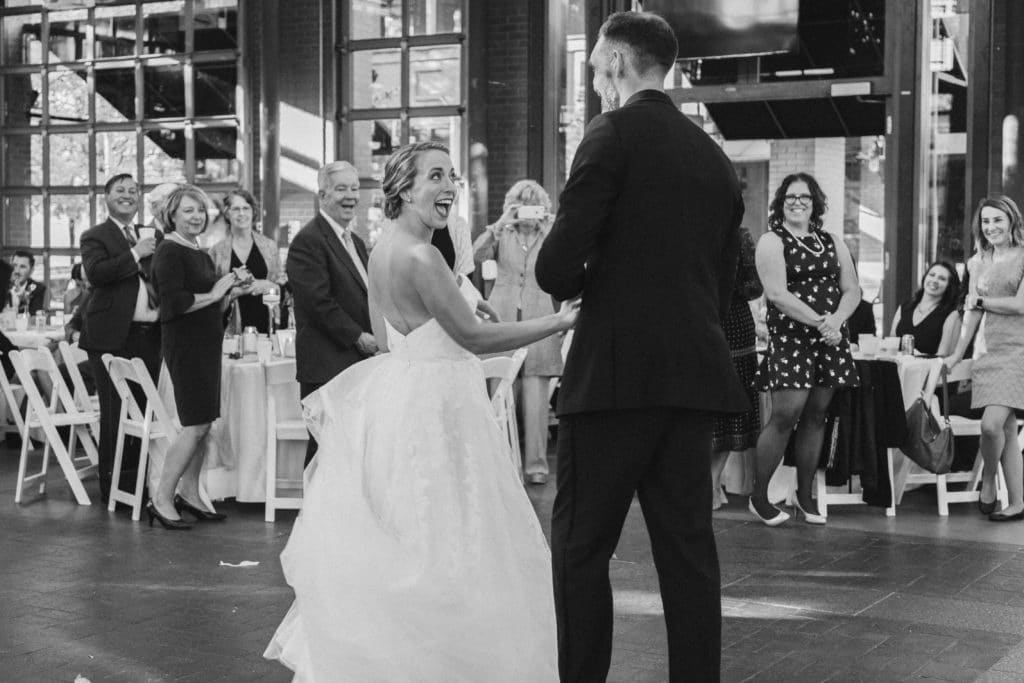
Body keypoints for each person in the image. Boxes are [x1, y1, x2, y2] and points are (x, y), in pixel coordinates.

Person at [265, 142, 577, 680]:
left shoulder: (382, 250)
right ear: (404, 189)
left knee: (411, 532)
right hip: (438, 409)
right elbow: (477, 338)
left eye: (452, 176)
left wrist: (454, 298)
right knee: (454, 534)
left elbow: (392, 334)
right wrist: (559, 322)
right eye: (436, 176)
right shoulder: (423, 254)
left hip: (400, 402)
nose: (450, 186)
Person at [534, 12, 747, 682]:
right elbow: (724, 280)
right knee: (688, 553)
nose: (597, 84)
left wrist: (592, 278)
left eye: (598, 69)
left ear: (621, 62)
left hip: (614, 379)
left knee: (578, 546)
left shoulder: (612, 134)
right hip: (691, 380)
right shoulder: (714, 156)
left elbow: (556, 264)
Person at [750, 173, 860, 527]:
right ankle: (759, 495)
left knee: (817, 415)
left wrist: (838, 320)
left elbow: (852, 289)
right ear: (781, 203)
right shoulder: (772, 241)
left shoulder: (832, 241)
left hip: (829, 338)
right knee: (786, 415)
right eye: (790, 197)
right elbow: (778, 294)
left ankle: (805, 494)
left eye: (805, 198)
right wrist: (821, 323)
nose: (797, 203)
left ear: (816, 204)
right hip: (794, 338)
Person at [147, 185, 245, 530]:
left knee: (204, 424)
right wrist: (216, 290)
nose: (196, 216)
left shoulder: (198, 252)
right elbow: (173, 305)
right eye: (188, 210)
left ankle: (189, 493)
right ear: (171, 215)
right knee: (194, 425)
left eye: (200, 210)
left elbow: (207, 305)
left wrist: (228, 293)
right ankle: (161, 497)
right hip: (185, 347)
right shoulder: (169, 251)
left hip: (205, 344)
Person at [473, 179, 564, 485]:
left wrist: (551, 226)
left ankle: (536, 467)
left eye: (533, 202)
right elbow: (477, 255)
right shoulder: (503, 232)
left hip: (539, 320)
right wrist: (499, 224)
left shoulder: (549, 233)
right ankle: (500, 466)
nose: (527, 210)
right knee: (499, 394)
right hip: (504, 319)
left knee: (536, 401)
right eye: (522, 202)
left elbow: (567, 257)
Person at [287, 161, 377, 465]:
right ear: (322, 194)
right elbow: (318, 303)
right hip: (328, 364)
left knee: (350, 453)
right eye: (342, 189)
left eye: (355, 188)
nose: (351, 195)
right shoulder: (308, 241)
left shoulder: (358, 242)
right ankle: (314, 512)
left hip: (356, 366)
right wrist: (358, 337)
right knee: (325, 454)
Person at [79, 174, 161, 504]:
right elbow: (97, 274)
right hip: (110, 337)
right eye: (120, 191)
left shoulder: (151, 234)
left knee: (144, 411)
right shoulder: (95, 236)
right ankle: (112, 489)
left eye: (133, 190)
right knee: (116, 412)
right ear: (107, 198)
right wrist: (135, 252)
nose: (128, 195)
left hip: (149, 335)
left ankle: (139, 485)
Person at [944, 196, 1024, 521]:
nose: (991, 227)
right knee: (1003, 428)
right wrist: (955, 354)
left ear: (1012, 221)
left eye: (998, 220)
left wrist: (980, 300)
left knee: (991, 427)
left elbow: (1020, 306)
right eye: (986, 221)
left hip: (1018, 350)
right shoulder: (976, 261)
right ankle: (1018, 502)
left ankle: (988, 477)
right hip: (987, 352)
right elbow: (970, 316)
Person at [710, 227, 763, 510]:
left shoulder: (741, 235)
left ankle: (713, 480)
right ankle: (709, 482)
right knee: (702, 409)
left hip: (735, 324)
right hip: (698, 321)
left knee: (733, 405)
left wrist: (727, 280)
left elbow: (754, 287)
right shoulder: (683, 226)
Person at [208, 189, 284, 333]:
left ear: (253, 212)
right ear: (227, 213)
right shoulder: (216, 251)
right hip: (228, 327)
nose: (241, 213)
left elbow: (282, 285)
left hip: (265, 324)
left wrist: (268, 285)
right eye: (236, 209)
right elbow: (210, 296)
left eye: (246, 208)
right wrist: (236, 292)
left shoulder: (269, 246)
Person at [890, 260, 962, 356]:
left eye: (942, 279)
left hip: (927, 370)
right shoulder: (904, 307)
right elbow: (891, 345)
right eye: (932, 275)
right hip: (895, 368)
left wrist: (917, 358)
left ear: (949, 286)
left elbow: (943, 357)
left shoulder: (952, 315)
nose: (934, 280)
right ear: (925, 278)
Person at [8, 250, 47, 315]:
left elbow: (34, 316)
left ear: (31, 271)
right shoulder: (2, 285)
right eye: (14, 265)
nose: (17, 271)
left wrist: (22, 299)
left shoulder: (38, 289)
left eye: (22, 267)